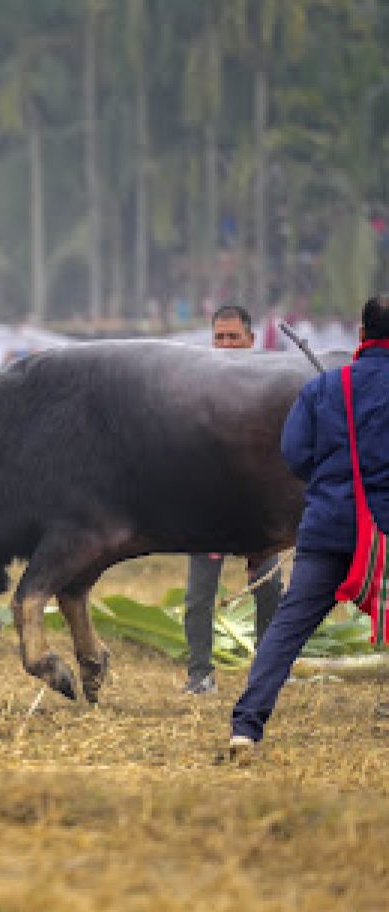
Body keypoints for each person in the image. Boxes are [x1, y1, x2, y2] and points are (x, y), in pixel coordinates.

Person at [229, 295, 389, 755]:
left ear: (361, 334)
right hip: (384, 536)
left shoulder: (323, 390)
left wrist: (334, 477)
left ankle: (245, 727)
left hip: (328, 528)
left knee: (286, 631)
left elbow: (296, 455)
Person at [183, 305, 284, 695]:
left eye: (233, 337)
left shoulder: (273, 384)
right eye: (219, 337)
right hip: (210, 506)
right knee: (199, 595)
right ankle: (199, 675)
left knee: (269, 587)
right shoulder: (196, 387)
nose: (225, 345)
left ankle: (270, 668)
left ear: (251, 340)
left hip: (258, 506)